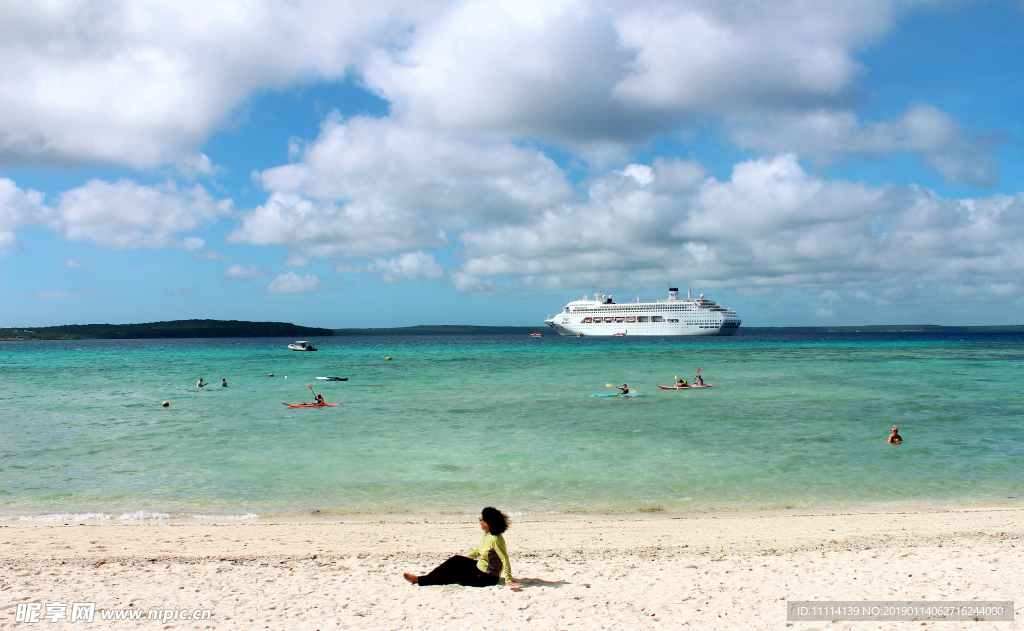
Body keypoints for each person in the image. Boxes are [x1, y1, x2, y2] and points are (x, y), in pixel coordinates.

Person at [404, 507, 519, 589]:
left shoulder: (496, 539)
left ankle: (419, 580)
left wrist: (508, 579)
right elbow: (477, 551)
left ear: (487, 523)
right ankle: (427, 578)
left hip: (487, 577)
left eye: (481, 520)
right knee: (456, 560)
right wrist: (462, 562)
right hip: (479, 568)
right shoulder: (488, 535)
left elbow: (505, 559)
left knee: (453, 573)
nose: (479, 522)